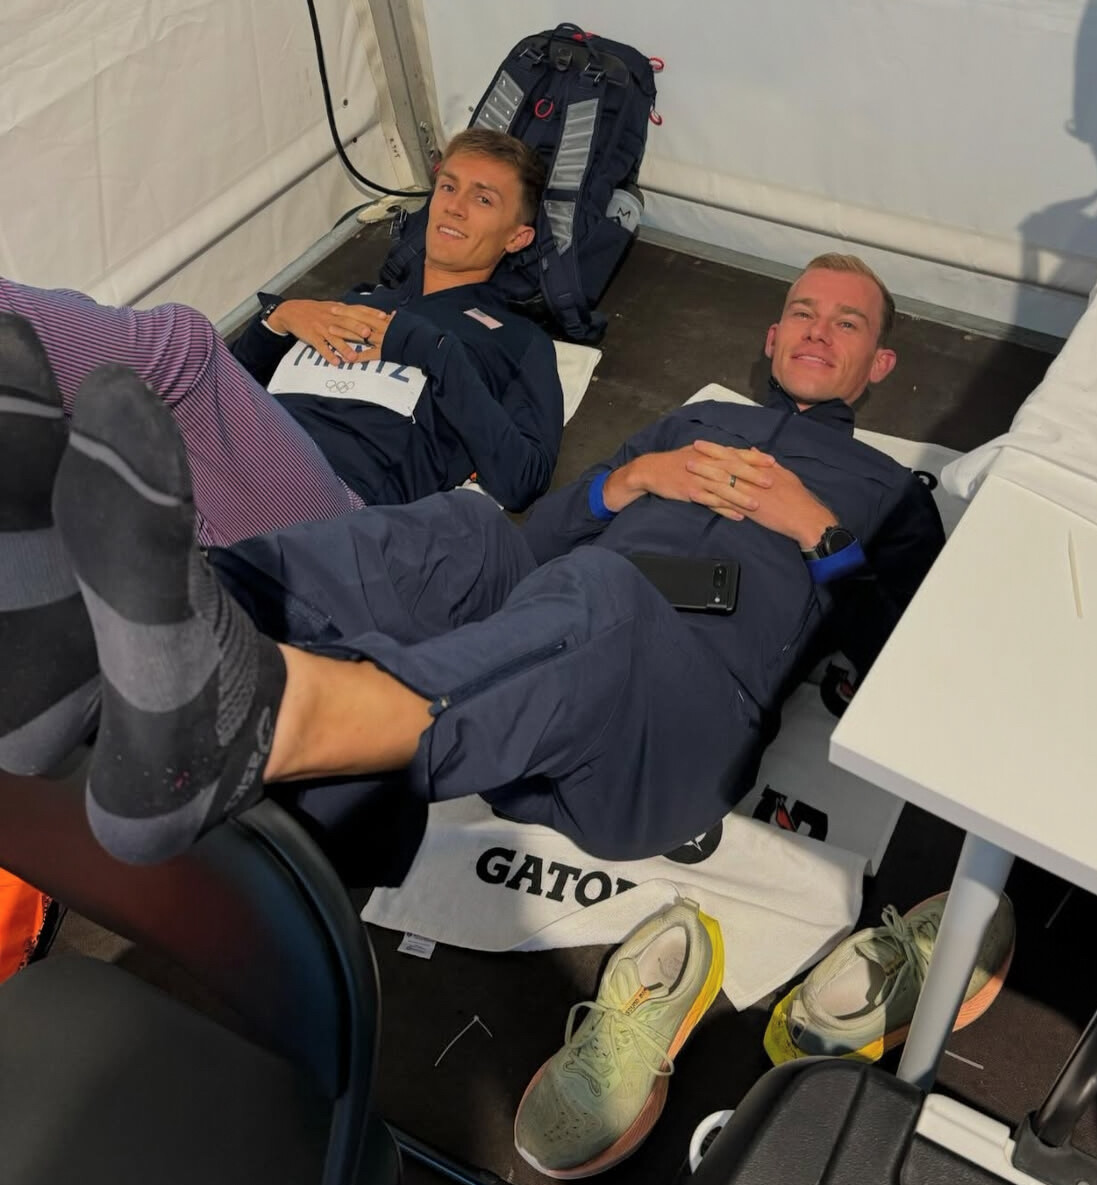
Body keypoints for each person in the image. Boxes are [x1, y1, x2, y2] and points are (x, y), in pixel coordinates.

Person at [0, 253, 944, 871]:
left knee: (605, 593)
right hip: (547, 634)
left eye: (847, 324)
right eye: (802, 312)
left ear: (880, 364)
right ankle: (116, 658)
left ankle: (262, 728)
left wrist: (820, 532)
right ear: (772, 338)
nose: (817, 330)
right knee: (467, 524)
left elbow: (908, 660)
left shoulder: (888, 489)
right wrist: (625, 484)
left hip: (674, 727)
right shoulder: (697, 420)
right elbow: (538, 542)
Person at [0, 128, 562, 549]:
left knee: (186, 345)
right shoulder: (363, 297)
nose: (455, 206)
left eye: (483, 199)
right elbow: (230, 396)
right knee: (57, 401)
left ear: (517, 237)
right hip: (217, 486)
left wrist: (432, 351)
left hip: (332, 515)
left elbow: (522, 480)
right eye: (448, 186)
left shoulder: (517, 341)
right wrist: (278, 322)